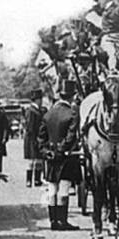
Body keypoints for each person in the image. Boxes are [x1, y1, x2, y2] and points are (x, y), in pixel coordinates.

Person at [37, 80, 82, 230]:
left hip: (50, 156)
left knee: (52, 188)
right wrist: (61, 150)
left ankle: (53, 221)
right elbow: (71, 136)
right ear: (72, 96)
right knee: (64, 188)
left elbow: (41, 137)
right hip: (66, 157)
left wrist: (46, 152)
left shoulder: (48, 113)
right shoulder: (72, 114)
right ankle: (63, 221)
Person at [22, 90, 45, 188]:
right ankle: (28, 180)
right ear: (36, 100)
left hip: (38, 137)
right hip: (32, 138)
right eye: (40, 99)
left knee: (39, 160)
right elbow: (30, 127)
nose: (41, 101)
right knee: (31, 160)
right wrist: (35, 139)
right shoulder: (31, 111)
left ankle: (37, 180)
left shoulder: (40, 110)